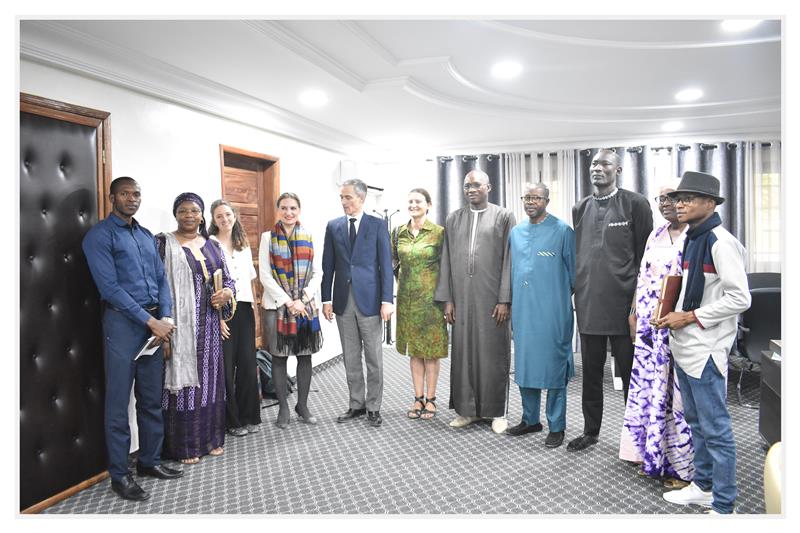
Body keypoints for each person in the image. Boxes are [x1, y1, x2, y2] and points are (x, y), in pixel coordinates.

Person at [656, 171, 751, 515]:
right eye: (677, 198)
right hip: (685, 345)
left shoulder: (720, 242)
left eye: (687, 199)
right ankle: (704, 486)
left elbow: (740, 298)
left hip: (707, 349)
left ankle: (724, 507)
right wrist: (669, 312)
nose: (678, 204)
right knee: (695, 422)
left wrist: (690, 316)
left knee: (717, 430)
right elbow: (685, 289)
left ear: (710, 204)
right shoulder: (693, 238)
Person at [82, 176, 183, 501]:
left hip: (154, 325)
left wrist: (165, 318)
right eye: (125, 193)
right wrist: (151, 321)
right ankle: (119, 475)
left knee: (151, 399)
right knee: (117, 405)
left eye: (136, 193)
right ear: (112, 197)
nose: (131, 198)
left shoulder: (144, 235)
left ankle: (149, 461)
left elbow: (161, 279)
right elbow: (109, 289)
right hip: (124, 326)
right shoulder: (99, 236)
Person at [569, 149, 653, 451]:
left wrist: (636, 304)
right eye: (594, 164)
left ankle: (636, 438)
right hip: (590, 303)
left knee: (631, 375)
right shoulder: (580, 207)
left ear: (617, 170)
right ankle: (591, 432)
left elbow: (647, 258)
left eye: (605, 164)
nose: (598, 168)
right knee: (591, 374)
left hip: (625, 308)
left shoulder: (636, 204)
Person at [619, 180, 695, 486]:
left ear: (683, 200)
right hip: (651, 329)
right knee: (651, 391)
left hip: (679, 328)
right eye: (660, 199)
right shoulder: (656, 234)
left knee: (676, 396)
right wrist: (634, 313)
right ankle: (650, 454)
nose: (665, 203)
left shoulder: (696, 236)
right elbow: (642, 276)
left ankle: (680, 467)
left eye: (671, 198)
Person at [434, 169, 515, 434]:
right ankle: (467, 410)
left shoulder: (503, 216)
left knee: (494, 355)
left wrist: (505, 298)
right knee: (463, 352)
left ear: (488, 187)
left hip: (492, 299)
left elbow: (509, 259)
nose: (471, 189)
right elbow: (446, 259)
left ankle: (497, 412)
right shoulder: (454, 218)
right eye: (467, 186)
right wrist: (447, 299)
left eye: (476, 185)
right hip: (462, 297)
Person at [156, 192, 235, 465]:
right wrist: (162, 330)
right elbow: (156, 285)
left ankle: (211, 440)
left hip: (211, 329)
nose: (189, 216)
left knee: (211, 384)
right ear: (175, 214)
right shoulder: (162, 244)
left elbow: (229, 280)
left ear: (202, 215)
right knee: (184, 388)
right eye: (183, 211)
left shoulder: (212, 245)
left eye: (194, 211)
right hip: (179, 329)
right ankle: (185, 446)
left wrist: (226, 293)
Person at [507, 183, 575, 448]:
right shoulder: (516, 232)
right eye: (527, 197)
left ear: (547, 200)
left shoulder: (562, 231)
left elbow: (574, 276)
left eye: (536, 197)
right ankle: (530, 419)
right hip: (523, 310)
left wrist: (553, 295)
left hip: (553, 311)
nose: (530, 201)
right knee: (525, 364)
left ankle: (556, 425)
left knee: (554, 365)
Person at [321, 178, 394, 427]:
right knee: (351, 357)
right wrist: (326, 299)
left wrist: (387, 300)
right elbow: (327, 266)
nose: (344, 202)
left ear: (361, 199)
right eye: (341, 197)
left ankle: (374, 407)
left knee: (374, 357)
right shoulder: (333, 226)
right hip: (342, 301)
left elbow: (386, 265)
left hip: (371, 301)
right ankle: (356, 404)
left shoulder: (377, 225)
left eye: (348, 197)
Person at [259, 192, 323, 428]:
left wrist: (302, 299)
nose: (288, 212)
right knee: (279, 356)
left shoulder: (308, 235)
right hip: (276, 308)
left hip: (304, 307)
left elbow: (318, 273)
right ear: (278, 210)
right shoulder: (268, 238)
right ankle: (284, 409)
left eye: (293, 208)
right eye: (284, 208)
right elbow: (265, 275)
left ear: (299, 210)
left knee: (305, 356)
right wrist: (288, 301)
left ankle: (302, 405)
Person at [392, 188, 448, 420]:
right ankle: (418, 398)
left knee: (431, 353)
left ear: (428, 205)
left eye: (418, 201)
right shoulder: (398, 232)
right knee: (414, 351)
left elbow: (446, 268)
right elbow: (393, 263)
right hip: (407, 301)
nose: (413, 205)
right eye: (410, 201)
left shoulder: (439, 233)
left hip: (432, 302)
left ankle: (432, 399)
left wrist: (447, 301)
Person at [209, 199, 261, 437]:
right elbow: (210, 286)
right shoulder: (209, 245)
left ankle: (249, 414)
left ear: (234, 216)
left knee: (249, 365)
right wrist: (218, 318)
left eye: (228, 215)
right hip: (223, 313)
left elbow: (250, 280)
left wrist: (256, 313)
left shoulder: (243, 244)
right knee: (227, 368)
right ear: (213, 220)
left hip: (245, 309)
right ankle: (232, 421)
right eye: (219, 216)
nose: (225, 219)